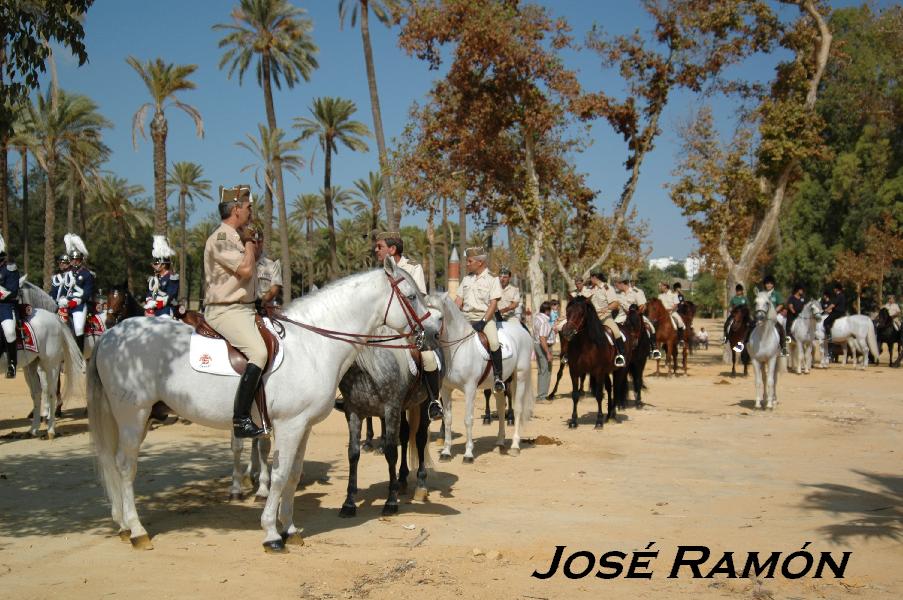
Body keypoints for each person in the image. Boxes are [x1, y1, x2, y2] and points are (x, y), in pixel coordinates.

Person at [204, 185, 267, 439]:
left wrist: (251, 242)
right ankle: (241, 420)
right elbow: (246, 270)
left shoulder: (235, 237)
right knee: (259, 353)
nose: (251, 212)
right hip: (225, 310)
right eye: (248, 207)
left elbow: (252, 262)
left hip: (245, 308)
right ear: (236, 209)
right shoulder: (221, 238)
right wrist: (249, 241)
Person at [374, 231, 443, 420]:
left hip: (410, 327)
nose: (376, 250)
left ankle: (433, 401)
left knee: (428, 357)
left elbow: (419, 298)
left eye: (380, 246)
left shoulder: (413, 268)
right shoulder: (380, 272)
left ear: (392, 249)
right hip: (385, 326)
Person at [454, 246, 506, 392]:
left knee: (494, 343)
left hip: (485, 318)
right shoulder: (466, 279)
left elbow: (493, 304)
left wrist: (483, 322)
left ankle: (498, 378)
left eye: (469, 261)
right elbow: (458, 301)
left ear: (480, 262)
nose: (467, 264)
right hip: (465, 318)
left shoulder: (492, 279)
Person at [613, 274, 660, 359]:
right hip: (622, 315)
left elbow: (642, 306)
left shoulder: (636, 292)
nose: (616, 285)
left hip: (636, 315)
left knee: (651, 327)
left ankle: (654, 348)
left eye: (617, 283)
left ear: (623, 283)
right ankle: (617, 351)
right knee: (613, 328)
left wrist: (635, 314)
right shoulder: (617, 294)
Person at [63, 233, 95, 352]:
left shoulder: (86, 274)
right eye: (72, 259)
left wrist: (77, 301)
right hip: (65, 304)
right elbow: (63, 289)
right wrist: (61, 300)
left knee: (78, 328)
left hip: (79, 305)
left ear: (81, 260)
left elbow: (88, 292)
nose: (74, 262)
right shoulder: (67, 274)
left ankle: (79, 354)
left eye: (77, 260)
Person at [589, 271, 626, 367]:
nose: (590, 280)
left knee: (616, 331)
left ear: (594, 278)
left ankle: (621, 355)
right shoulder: (590, 289)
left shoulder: (607, 288)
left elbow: (615, 303)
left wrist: (606, 308)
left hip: (605, 317)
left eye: (591, 278)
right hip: (592, 319)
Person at [144, 236, 179, 318]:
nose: (154, 266)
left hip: (166, 309)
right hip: (154, 310)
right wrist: (149, 302)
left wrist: (156, 305)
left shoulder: (172, 277)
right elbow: (151, 293)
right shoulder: (154, 279)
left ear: (163, 265)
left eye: (156, 264)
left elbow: (170, 297)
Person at [0, 234, 20, 378]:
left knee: (9, 332)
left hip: (5, 307)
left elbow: (13, 292)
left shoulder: (10, 269)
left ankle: (12, 364)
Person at [532, 301, 554, 401]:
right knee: (546, 370)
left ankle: (541, 394)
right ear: (547, 311)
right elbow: (542, 338)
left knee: (541, 370)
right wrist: (548, 353)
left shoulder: (537, 318)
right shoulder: (545, 321)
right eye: (550, 310)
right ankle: (542, 396)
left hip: (537, 345)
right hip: (543, 346)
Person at [254, 230, 283, 308]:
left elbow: (275, 288)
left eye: (259, 242)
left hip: (264, 308)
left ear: (263, 242)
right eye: (253, 242)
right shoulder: (239, 260)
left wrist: (263, 300)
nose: (256, 245)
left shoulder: (272, 263)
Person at [761, 275, 788, 357]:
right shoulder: (762, 294)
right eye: (767, 283)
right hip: (763, 316)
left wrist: (774, 311)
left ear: (773, 284)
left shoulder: (776, 294)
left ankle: (783, 348)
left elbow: (781, 304)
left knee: (781, 329)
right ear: (765, 284)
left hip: (774, 316)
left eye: (770, 283)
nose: (769, 285)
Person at [658, 281, 686, 346]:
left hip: (672, 312)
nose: (660, 287)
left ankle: (681, 339)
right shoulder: (660, 296)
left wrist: (670, 310)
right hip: (662, 313)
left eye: (661, 286)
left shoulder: (673, 294)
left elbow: (676, 305)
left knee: (680, 321)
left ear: (665, 286)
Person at [822, 282, 847, 355]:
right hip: (842, 312)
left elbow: (833, 305)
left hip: (837, 313)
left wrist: (826, 310)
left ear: (837, 289)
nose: (834, 290)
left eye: (834, 288)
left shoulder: (838, 296)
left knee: (825, 321)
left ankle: (829, 337)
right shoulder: (843, 295)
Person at [723, 284, 748, 351]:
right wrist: (731, 310)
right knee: (726, 324)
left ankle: (749, 337)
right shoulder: (734, 299)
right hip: (735, 315)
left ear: (742, 291)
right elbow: (730, 306)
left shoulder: (745, 299)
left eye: (740, 290)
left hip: (743, 315)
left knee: (751, 323)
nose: (738, 292)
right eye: (737, 290)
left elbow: (747, 307)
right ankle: (726, 337)